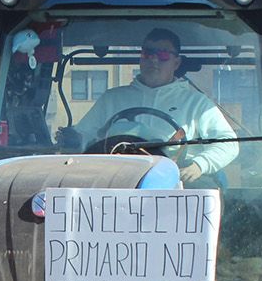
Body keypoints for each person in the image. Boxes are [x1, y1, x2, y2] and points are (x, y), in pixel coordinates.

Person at [67, 27, 238, 186]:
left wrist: (200, 165)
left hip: (177, 184)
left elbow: (229, 144)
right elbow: (83, 138)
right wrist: (71, 140)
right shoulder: (111, 99)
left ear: (176, 63)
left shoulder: (197, 103)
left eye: (163, 55)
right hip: (116, 183)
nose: (154, 60)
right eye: (148, 53)